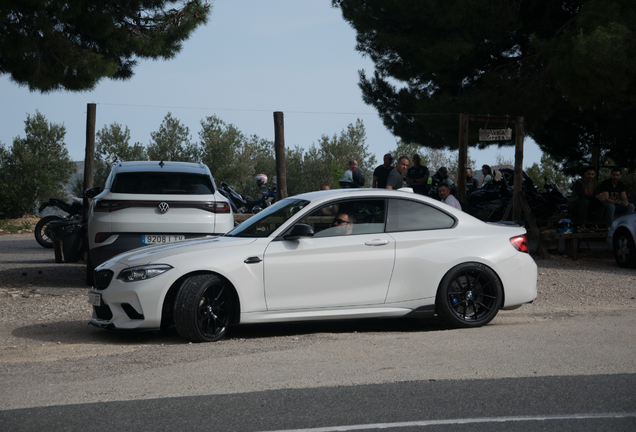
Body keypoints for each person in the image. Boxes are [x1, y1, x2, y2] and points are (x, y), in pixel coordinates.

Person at [567, 165, 605, 232]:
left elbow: (597, 195)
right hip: (574, 205)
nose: (590, 176)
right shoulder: (579, 182)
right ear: (585, 174)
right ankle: (581, 225)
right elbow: (581, 196)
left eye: (592, 174)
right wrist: (596, 196)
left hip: (586, 206)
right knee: (585, 201)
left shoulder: (596, 183)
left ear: (595, 175)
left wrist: (601, 197)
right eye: (589, 174)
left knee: (601, 203)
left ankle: (595, 224)